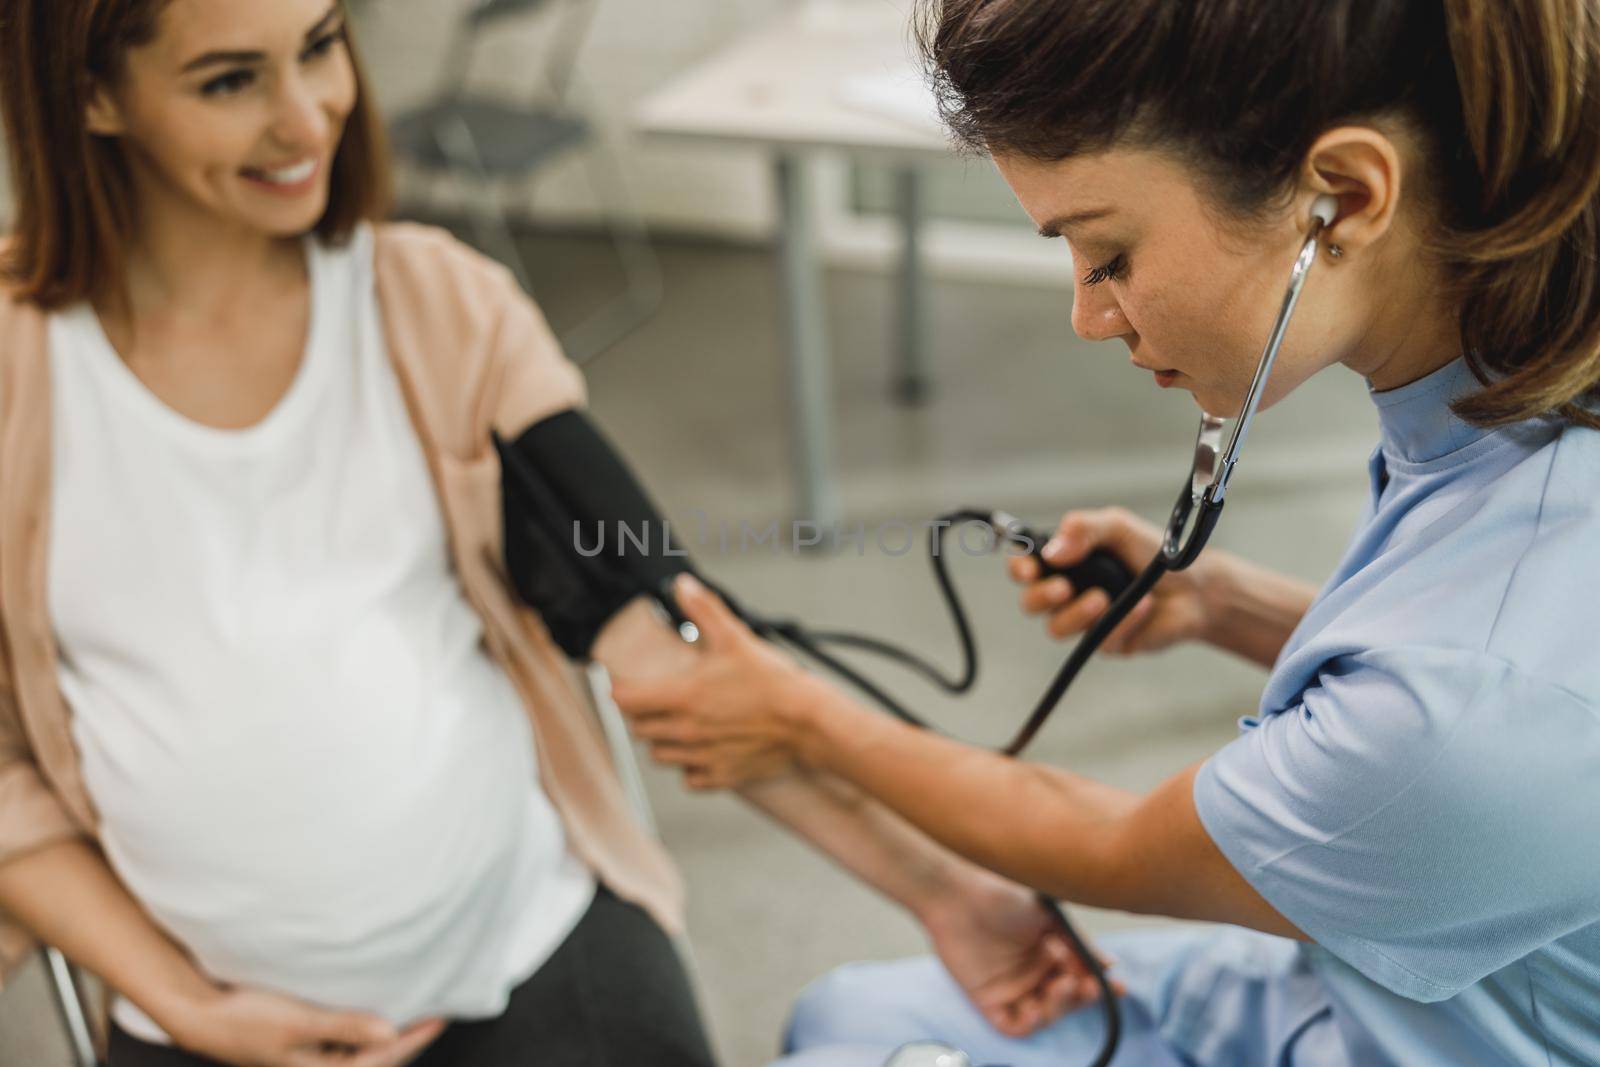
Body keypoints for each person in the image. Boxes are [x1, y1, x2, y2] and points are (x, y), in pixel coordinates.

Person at [0, 1, 1115, 1064]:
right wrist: (182, 999)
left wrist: (945, 891)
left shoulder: (440, 311)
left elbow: (674, 644)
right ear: (93, 95)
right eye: (230, 79)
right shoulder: (18, 371)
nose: (306, 117)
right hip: (205, 1016)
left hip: (529, 951)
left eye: (322, 45)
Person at [608, 0, 1600, 1064]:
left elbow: (1118, 841)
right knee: (850, 1017)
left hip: (1415, 1035)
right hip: (1346, 975)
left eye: (1107, 252)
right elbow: (1459, 670)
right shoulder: (1498, 396)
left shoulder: (1475, 702)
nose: (1087, 314)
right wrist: (1220, 601)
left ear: (1343, 198)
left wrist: (797, 719)